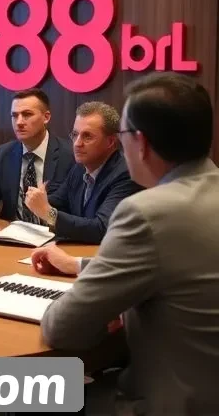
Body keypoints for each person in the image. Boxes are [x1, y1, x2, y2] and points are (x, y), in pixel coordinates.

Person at [40, 72, 219, 415]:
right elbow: (180, 268)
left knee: (29, 392)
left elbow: (61, 329)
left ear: (141, 143)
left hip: (170, 403)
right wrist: (79, 266)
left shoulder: (147, 212)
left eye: (121, 136)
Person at [24, 101, 142, 244]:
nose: (77, 143)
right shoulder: (79, 168)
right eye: (75, 134)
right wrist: (38, 199)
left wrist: (49, 214)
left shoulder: (126, 174)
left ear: (110, 141)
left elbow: (102, 229)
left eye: (87, 136)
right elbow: (59, 202)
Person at [0, 88, 75, 233]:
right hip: (12, 236)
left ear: (46, 117)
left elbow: (77, 213)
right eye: (14, 115)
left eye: (27, 114)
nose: (19, 122)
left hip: (54, 237)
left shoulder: (69, 155)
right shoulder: (4, 153)